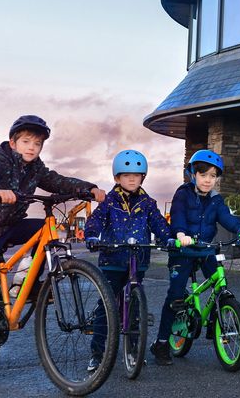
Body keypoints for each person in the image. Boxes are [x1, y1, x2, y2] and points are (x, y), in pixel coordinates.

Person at [0, 115, 106, 387]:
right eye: (25, 141)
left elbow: (58, 181)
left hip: (10, 226)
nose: (31, 147)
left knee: (47, 232)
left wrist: (88, 188)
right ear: (13, 142)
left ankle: (31, 285)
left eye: (37, 143)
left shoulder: (36, 168)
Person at [150, 149, 240, 365]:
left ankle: (217, 319)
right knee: (175, 296)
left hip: (207, 249)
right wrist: (180, 234)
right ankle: (161, 343)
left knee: (219, 283)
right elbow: (178, 214)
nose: (208, 180)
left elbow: (227, 218)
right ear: (193, 175)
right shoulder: (183, 193)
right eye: (203, 175)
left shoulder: (216, 200)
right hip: (183, 249)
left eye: (213, 176)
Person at [84, 149, 171, 372]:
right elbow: (96, 221)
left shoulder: (148, 202)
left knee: (133, 308)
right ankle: (97, 353)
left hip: (138, 260)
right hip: (113, 260)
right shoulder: (109, 201)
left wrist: (168, 237)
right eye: (126, 175)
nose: (132, 179)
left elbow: (159, 224)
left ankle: (133, 349)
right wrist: (92, 236)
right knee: (107, 305)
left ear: (143, 177)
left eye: (136, 175)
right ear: (117, 178)